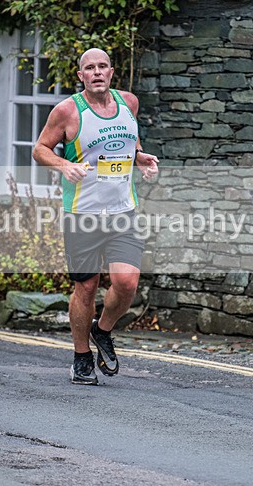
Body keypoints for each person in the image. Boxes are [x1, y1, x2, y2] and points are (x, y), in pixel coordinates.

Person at [33, 48, 159, 385]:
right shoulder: (68, 111)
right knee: (86, 288)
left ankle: (101, 331)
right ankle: (81, 357)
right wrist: (65, 165)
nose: (97, 72)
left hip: (122, 211)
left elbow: (128, 144)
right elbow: (40, 150)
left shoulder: (129, 103)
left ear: (112, 71)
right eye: (90, 68)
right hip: (83, 214)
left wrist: (140, 158)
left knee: (127, 283)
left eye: (103, 66)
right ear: (81, 76)